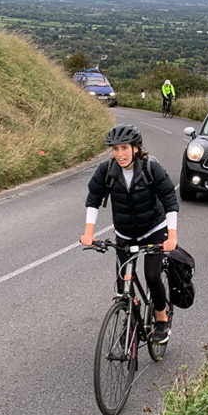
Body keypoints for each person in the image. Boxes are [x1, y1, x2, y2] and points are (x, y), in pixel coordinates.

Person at [80, 124, 179, 344]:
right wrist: (89, 233)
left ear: (136, 148)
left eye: (124, 148)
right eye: (115, 149)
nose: (119, 154)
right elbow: (93, 199)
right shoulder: (107, 170)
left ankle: (161, 318)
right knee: (122, 284)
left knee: (152, 275)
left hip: (154, 230)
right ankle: (130, 319)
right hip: (125, 233)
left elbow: (170, 201)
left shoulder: (151, 168)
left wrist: (171, 236)